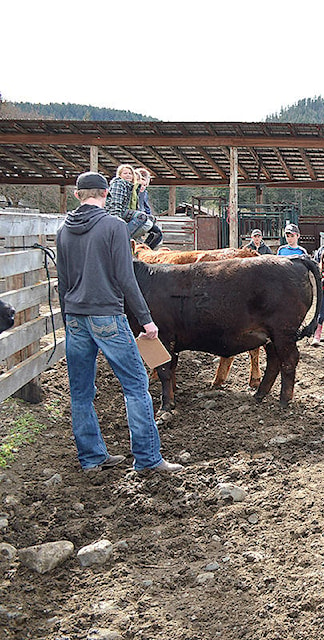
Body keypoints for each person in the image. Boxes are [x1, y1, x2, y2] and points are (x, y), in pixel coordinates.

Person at [55, 172, 181, 474]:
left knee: (81, 391)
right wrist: (147, 321)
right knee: (136, 385)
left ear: (77, 195)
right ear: (107, 193)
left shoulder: (63, 231)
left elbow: (62, 282)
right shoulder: (114, 226)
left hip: (75, 317)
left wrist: (66, 319)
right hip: (107, 315)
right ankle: (148, 458)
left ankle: (91, 458)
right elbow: (126, 278)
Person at [105, 164, 162, 249]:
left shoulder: (130, 187)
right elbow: (115, 203)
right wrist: (116, 221)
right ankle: (121, 238)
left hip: (124, 211)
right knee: (141, 217)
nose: (128, 175)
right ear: (120, 175)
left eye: (130, 173)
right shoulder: (119, 184)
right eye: (125, 173)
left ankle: (140, 246)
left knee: (152, 224)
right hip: (115, 212)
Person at [135, 167, 162, 249]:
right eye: (140, 184)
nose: (142, 187)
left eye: (145, 185)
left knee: (158, 234)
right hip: (135, 217)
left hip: (143, 217)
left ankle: (146, 249)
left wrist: (150, 218)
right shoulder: (132, 191)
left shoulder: (144, 193)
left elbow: (146, 207)